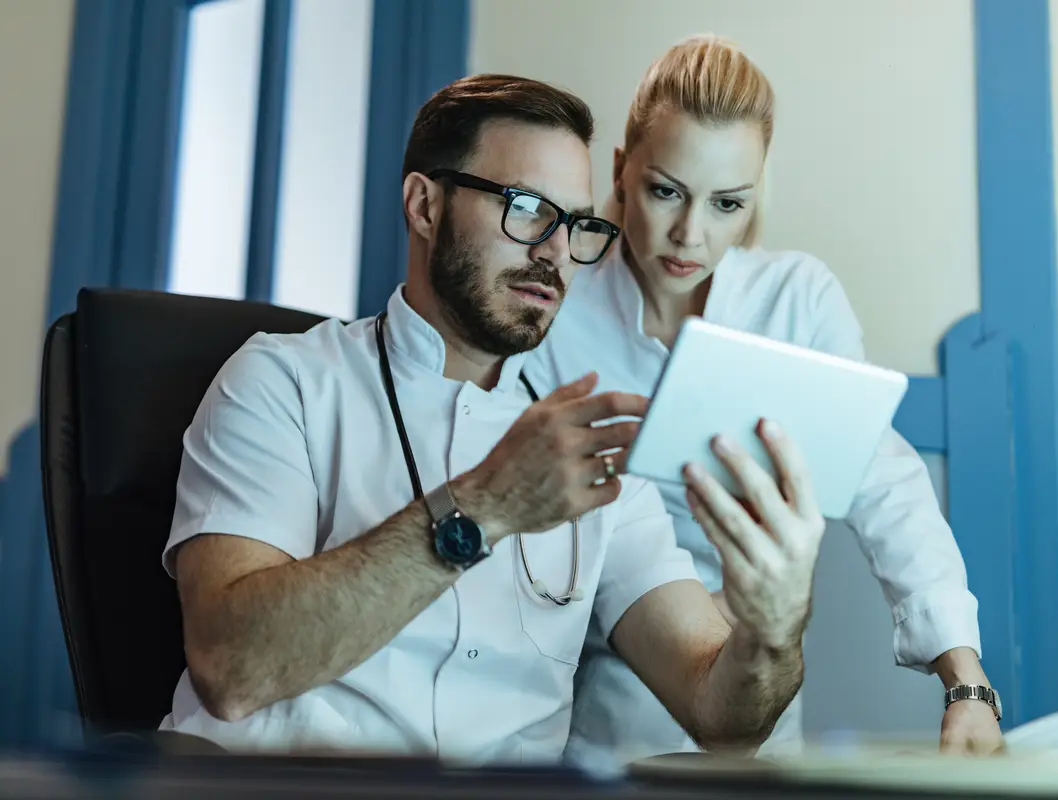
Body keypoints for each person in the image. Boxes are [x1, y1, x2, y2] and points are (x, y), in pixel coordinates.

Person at [158, 73, 829, 765]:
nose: (556, 252)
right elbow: (231, 670)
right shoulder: (282, 381)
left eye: (576, 224)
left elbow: (723, 718)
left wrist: (772, 631)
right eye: (528, 208)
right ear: (424, 205)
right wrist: (482, 510)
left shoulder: (592, 447)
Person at [521, 35, 1005, 765]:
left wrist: (964, 680)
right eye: (665, 191)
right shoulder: (556, 305)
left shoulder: (798, 301)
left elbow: (889, 485)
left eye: (727, 204)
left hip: (757, 685)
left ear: (756, 194)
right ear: (619, 172)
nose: (691, 234)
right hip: (594, 693)